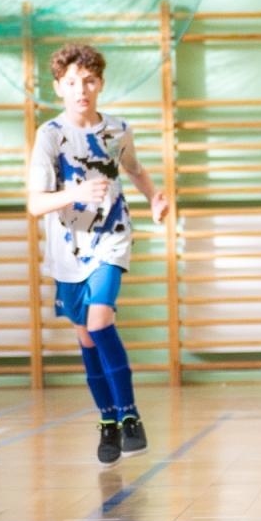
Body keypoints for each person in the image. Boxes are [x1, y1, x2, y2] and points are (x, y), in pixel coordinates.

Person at [25, 44, 167, 465]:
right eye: (72, 82)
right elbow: (35, 204)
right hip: (69, 248)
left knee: (100, 317)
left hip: (112, 236)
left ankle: (129, 414)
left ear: (100, 83)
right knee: (85, 334)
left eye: (88, 80)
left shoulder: (118, 129)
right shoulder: (50, 135)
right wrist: (76, 193)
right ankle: (107, 421)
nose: (81, 89)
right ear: (59, 87)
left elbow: (134, 168)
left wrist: (154, 196)